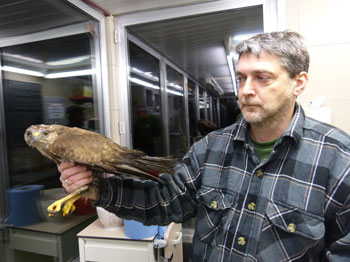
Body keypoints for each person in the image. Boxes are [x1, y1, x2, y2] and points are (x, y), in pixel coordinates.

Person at [58, 31, 350, 261]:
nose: (246, 90)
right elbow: (164, 201)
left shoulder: (338, 160)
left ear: (298, 83)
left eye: (262, 78)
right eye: (241, 78)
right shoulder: (210, 149)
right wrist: (98, 189)